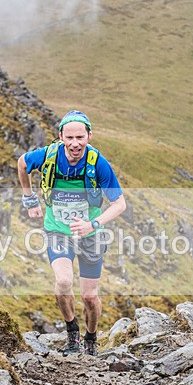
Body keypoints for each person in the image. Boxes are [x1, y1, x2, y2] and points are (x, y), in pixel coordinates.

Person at [17, 111, 127, 356]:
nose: (75, 143)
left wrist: (93, 225)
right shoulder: (49, 155)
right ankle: (72, 334)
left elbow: (119, 204)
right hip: (58, 231)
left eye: (80, 137)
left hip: (91, 235)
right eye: (70, 137)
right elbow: (22, 163)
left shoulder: (97, 163)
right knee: (64, 282)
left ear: (89, 136)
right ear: (61, 137)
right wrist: (29, 199)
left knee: (89, 297)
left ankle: (91, 338)